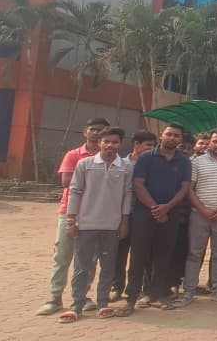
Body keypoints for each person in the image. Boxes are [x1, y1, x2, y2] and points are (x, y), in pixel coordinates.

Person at [37, 117, 109, 316]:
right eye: (93, 129)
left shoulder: (109, 158)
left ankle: (82, 296)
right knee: (62, 255)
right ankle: (55, 297)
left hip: (95, 214)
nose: (96, 133)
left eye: (101, 130)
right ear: (85, 132)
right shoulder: (73, 155)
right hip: (70, 212)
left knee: (89, 259)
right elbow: (66, 181)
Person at [62, 127, 132, 323]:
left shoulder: (126, 167)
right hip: (86, 224)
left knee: (108, 266)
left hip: (112, 225)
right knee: (82, 267)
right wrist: (71, 219)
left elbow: (127, 194)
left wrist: (124, 221)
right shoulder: (85, 164)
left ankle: (102, 304)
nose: (110, 145)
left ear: (121, 144)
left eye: (114, 142)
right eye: (106, 141)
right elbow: (75, 191)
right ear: (99, 143)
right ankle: (76, 306)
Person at [124, 123, 191, 313]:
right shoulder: (146, 157)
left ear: (180, 139)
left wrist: (166, 208)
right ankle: (131, 298)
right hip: (144, 214)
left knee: (164, 256)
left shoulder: (184, 161)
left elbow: (184, 188)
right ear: (162, 135)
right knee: (138, 256)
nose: (172, 138)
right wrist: (155, 208)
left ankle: (157, 294)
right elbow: (138, 184)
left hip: (171, 214)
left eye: (176, 135)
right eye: (169, 134)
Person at [179, 127, 217, 306]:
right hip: (199, 215)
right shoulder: (196, 162)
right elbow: (190, 188)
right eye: (215, 141)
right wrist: (202, 209)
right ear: (209, 142)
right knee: (194, 253)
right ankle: (188, 292)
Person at [110, 129, 157, 303]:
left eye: (154, 146)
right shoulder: (120, 164)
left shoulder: (154, 164)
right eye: (148, 145)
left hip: (144, 214)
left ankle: (143, 288)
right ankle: (117, 287)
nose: (151, 149)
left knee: (143, 253)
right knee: (119, 253)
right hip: (122, 215)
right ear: (136, 144)